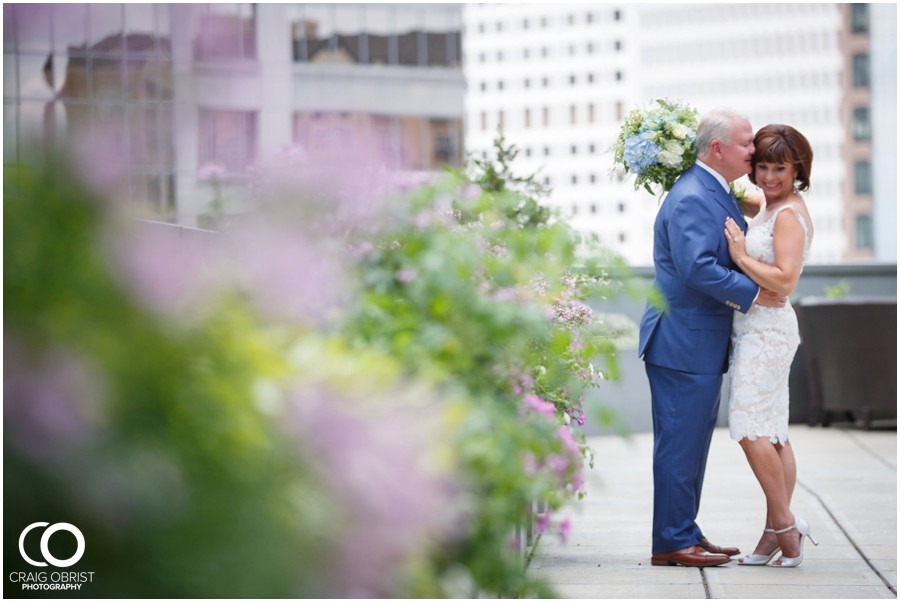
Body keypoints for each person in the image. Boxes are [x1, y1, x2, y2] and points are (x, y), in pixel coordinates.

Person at [638, 108, 787, 568]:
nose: (754, 151)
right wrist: (757, 295)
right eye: (747, 145)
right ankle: (670, 542)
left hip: (695, 342)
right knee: (679, 446)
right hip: (682, 342)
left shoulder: (712, 189)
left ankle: (684, 530)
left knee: (689, 445)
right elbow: (697, 267)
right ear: (717, 149)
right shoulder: (691, 197)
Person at [723, 124, 819, 567]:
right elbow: (738, 194)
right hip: (757, 328)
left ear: (797, 167)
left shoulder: (786, 215)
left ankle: (785, 526)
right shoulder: (769, 204)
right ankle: (771, 535)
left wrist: (741, 257)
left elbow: (786, 280)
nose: (768, 177)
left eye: (779, 168)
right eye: (762, 166)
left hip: (768, 331)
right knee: (774, 431)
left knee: (748, 427)